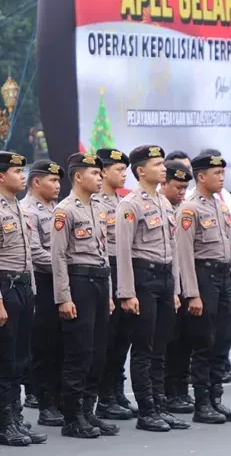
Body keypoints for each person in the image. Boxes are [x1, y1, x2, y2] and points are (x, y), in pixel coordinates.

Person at [115, 145, 189, 432]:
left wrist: (175, 289)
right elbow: (123, 252)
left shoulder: (164, 203)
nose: (163, 169)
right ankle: (147, 411)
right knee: (144, 348)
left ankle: (160, 406)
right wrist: (127, 292)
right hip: (143, 278)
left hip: (165, 279)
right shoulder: (130, 204)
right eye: (157, 164)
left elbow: (173, 248)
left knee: (161, 346)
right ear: (141, 170)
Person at [0, 151, 44, 447]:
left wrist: (33, 290)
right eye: (16, 172)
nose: (22, 176)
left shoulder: (20, 208)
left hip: (23, 287)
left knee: (20, 359)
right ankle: (3, 423)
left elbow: (27, 257)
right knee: (2, 360)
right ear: (0, 176)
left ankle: (15, 418)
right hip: (4, 287)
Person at [176, 153, 231, 424]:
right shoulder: (189, 208)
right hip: (203, 278)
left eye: (223, 173)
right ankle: (202, 403)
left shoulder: (220, 206)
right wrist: (192, 293)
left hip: (223, 278)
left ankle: (216, 400)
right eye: (216, 173)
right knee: (204, 343)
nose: (221, 177)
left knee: (223, 340)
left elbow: (230, 249)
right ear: (201, 176)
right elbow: (184, 255)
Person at [49, 153, 116, 439]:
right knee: (79, 351)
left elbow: (104, 252)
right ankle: (73, 417)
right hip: (79, 283)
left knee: (99, 351)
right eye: (95, 174)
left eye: (101, 174)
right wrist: (64, 297)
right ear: (78, 176)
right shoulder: (65, 211)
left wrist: (109, 292)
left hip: (99, 281)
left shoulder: (98, 207)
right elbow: (58, 257)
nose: (100, 178)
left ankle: (88, 411)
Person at [93, 148, 136, 420]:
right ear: (103, 172)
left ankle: (117, 391)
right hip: (105, 268)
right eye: (118, 170)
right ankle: (105, 397)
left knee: (123, 335)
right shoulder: (95, 202)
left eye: (125, 170)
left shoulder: (123, 202)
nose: (123, 175)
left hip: (125, 268)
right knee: (107, 338)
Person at [21, 160, 63, 428]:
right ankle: (44, 401)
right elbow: (35, 252)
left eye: (59, 181)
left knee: (60, 344)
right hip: (43, 282)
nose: (58, 186)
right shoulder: (28, 211)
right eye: (53, 181)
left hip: (60, 281)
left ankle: (57, 399)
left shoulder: (57, 209)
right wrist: (65, 267)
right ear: (36, 182)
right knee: (43, 345)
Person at [159, 162, 195, 415]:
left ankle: (180, 390)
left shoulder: (186, 209)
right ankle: (164, 393)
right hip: (164, 283)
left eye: (185, 188)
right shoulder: (157, 209)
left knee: (184, 341)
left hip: (185, 282)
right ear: (164, 184)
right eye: (178, 187)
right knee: (165, 342)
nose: (182, 192)